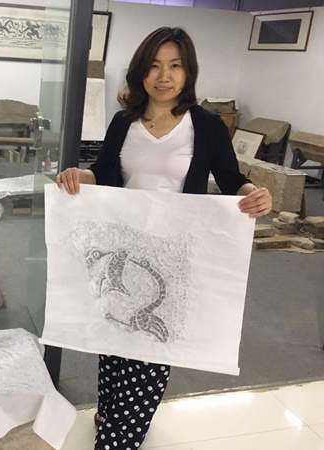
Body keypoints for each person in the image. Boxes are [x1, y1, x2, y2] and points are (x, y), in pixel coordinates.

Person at [56, 27, 272, 450]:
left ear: (188, 72)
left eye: (175, 65)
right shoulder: (124, 122)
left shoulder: (206, 126)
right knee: (116, 339)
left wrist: (253, 194)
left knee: (151, 349)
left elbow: (231, 179)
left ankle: (118, 439)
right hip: (123, 249)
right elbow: (105, 172)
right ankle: (109, 412)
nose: (164, 76)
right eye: (154, 65)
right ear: (141, 71)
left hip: (173, 258)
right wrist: (77, 175)